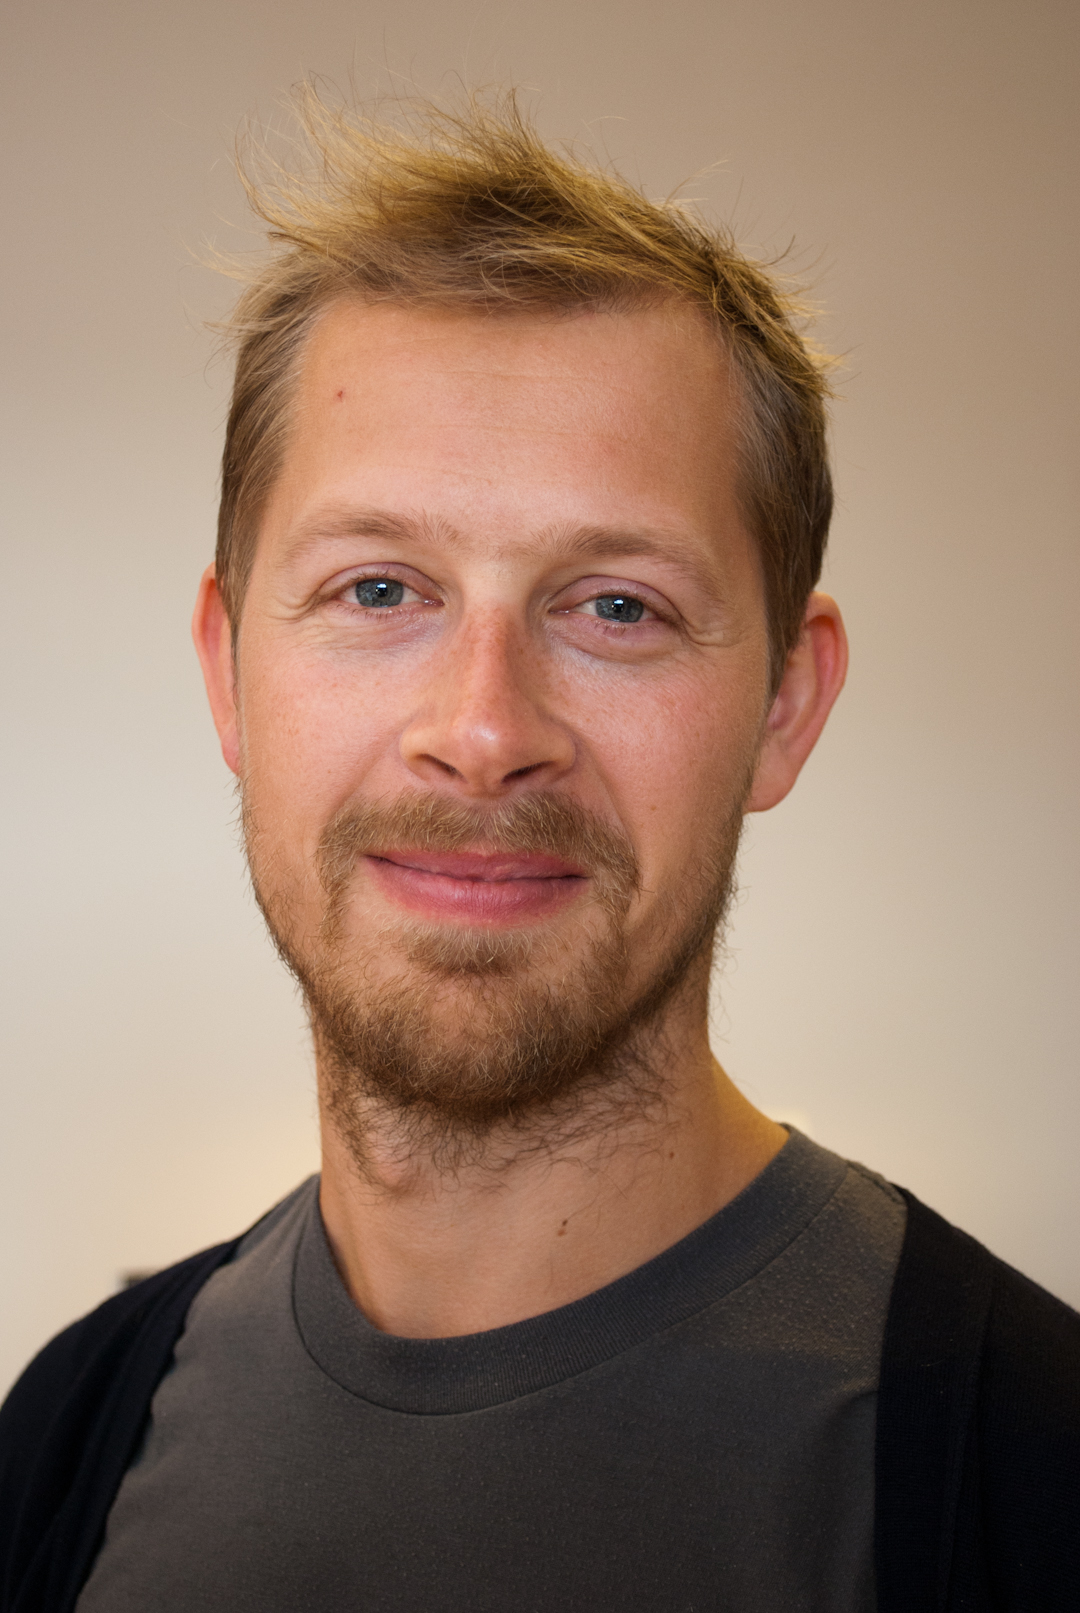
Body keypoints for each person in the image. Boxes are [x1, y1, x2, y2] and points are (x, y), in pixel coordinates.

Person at [1, 90, 1076, 1613]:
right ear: (228, 669)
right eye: (380, 590)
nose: (484, 730)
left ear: (787, 704)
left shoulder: (1036, 1472)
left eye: (618, 607)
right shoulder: (63, 1443)